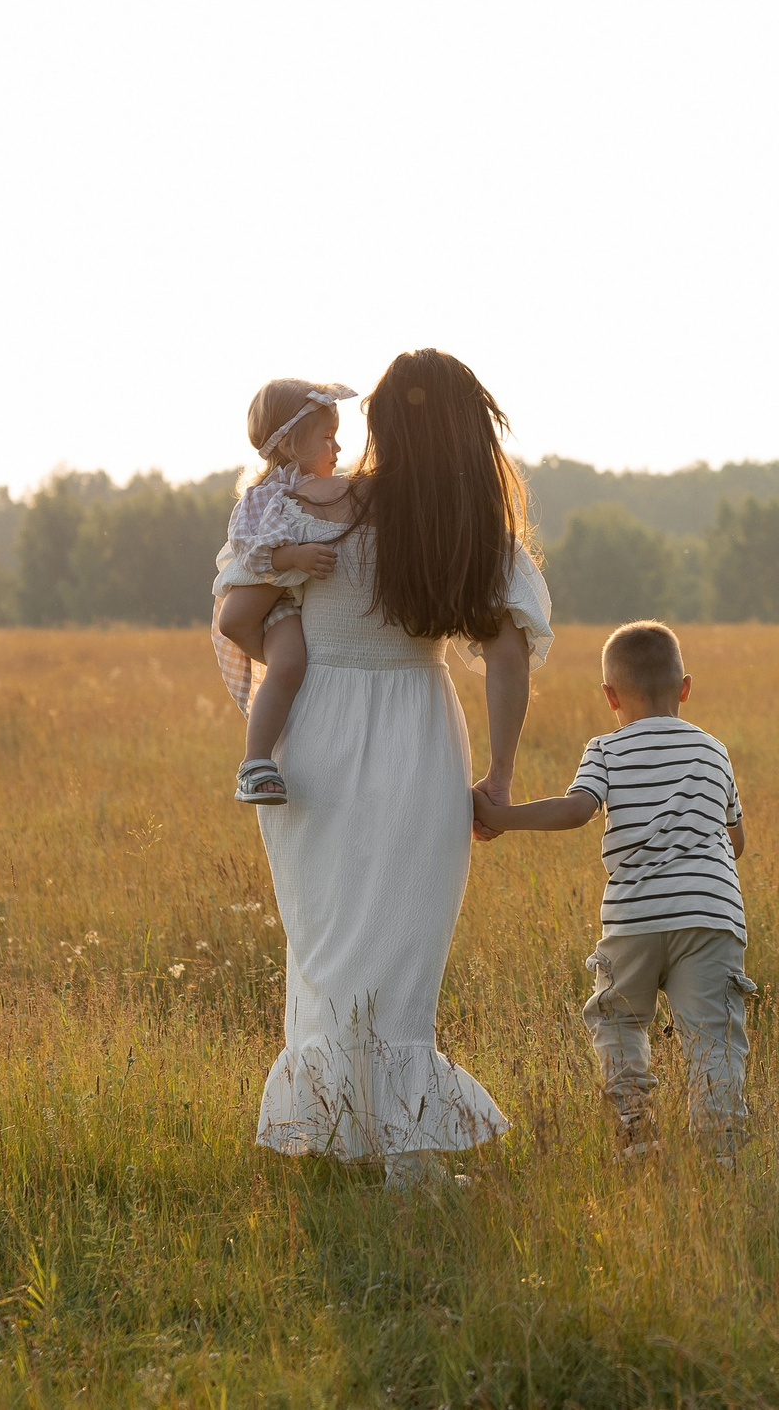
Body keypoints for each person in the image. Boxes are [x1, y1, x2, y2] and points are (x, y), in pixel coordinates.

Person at [251, 349, 552, 1191]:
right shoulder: (463, 526)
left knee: (331, 938)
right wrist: (497, 775)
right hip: (416, 729)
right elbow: (504, 657)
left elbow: (242, 609)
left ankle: (346, 1133)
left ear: (379, 423)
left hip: (311, 731)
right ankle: (403, 1160)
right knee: (403, 945)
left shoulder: (312, 502)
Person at [472, 620, 755, 1162]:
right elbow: (735, 841)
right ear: (686, 688)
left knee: (619, 1019)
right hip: (711, 915)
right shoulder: (713, 750)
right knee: (714, 1035)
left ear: (609, 696)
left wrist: (504, 816)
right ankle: (720, 1148)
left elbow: (577, 811)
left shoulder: (605, 748)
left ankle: (635, 1128)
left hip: (634, 919)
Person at [211, 379, 356, 804]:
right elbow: (249, 554)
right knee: (289, 665)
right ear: (292, 444)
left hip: (288, 598)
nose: (339, 449)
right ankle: (255, 763)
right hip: (271, 597)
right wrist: (293, 557)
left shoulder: (315, 490)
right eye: (327, 438)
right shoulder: (265, 494)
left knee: (295, 669)